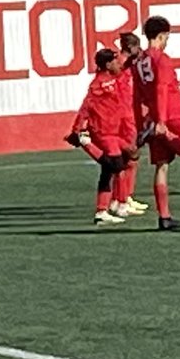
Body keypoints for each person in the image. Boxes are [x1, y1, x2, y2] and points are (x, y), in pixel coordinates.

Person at [132, 15, 180, 231]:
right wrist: (163, 123)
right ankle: (165, 135)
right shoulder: (161, 59)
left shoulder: (138, 63)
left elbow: (137, 96)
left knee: (162, 167)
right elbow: (162, 88)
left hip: (154, 117)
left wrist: (142, 122)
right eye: (167, 37)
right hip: (172, 115)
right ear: (161, 36)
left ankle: (164, 217)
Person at [66, 48, 137, 226]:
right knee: (114, 166)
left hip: (113, 132)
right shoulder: (98, 84)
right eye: (114, 61)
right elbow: (86, 107)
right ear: (107, 65)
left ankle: (112, 206)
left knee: (124, 161)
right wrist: (76, 129)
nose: (117, 63)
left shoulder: (114, 79)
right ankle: (86, 143)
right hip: (103, 132)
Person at [116, 32, 150, 215]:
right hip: (125, 116)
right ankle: (120, 199)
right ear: (130, 47)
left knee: (131, 158)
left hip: (132, 113)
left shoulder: (131, 64)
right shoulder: (120, 64)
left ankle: (125, 196)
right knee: (127, 157)